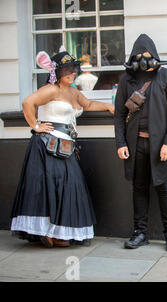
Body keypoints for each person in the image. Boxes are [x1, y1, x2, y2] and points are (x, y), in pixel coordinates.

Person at [10, 47, 114, 248]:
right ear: (56, 72)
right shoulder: (51, 90)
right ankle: (47, 233)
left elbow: (89, 104)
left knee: (66, 187)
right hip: (47, 145)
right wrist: (36, 126)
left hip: (65, 145)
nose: (71, 73)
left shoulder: (73, 91)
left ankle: (57, 233)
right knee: (49, 187)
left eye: (73, 70)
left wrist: (109, 107)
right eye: (67, 70)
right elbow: (27, 103)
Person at [114, 34, 167, 251]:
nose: (143, 58)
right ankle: (140, 233)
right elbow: (118, 114)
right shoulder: (126, 80)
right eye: (139, 55)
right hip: (135, 145)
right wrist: (121, 143)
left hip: (160, 145)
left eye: (147, 54)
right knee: (139, 188)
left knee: (164, 187)